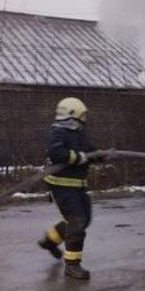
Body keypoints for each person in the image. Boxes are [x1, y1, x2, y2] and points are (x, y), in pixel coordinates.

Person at [37, 97, 100, 280]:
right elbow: (57, 153)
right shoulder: (57, 133)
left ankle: (49, 241)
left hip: (78, 186)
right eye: (82, 115)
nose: (84, 119)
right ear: (73, 114)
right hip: (61, 186)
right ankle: (72, 265)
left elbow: (91, 152)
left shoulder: (78, 134)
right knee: (77, 221)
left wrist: (102, 155)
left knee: (83, 220)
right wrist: (79, 157)